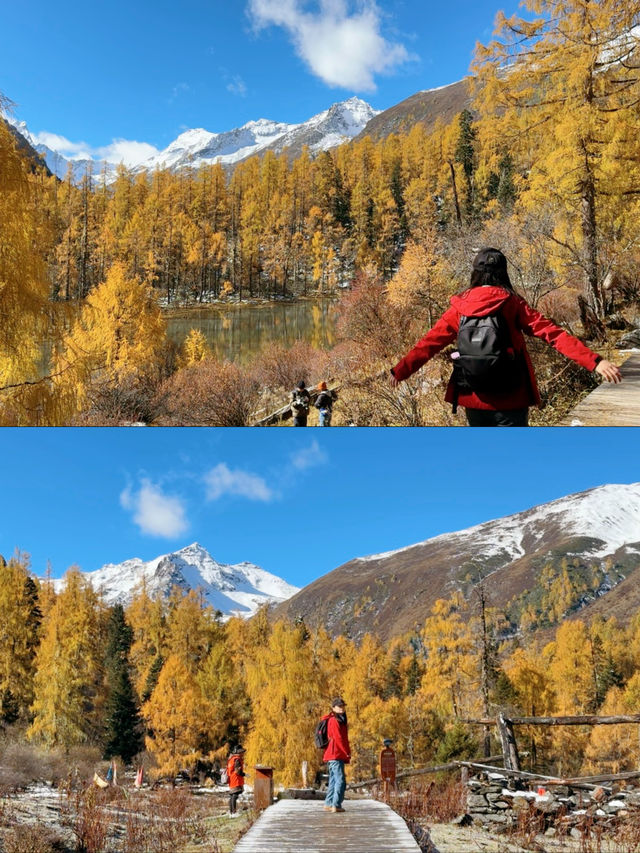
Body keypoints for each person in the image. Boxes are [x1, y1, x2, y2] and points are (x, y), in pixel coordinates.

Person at [390, 247, 622, 426]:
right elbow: (553, 334)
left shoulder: (460, 307)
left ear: (475, 273)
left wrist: (401, 370)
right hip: (512, 395)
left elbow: (430, 343)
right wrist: (595, 362)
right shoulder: (512, 303)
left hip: (473, 394)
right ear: (503, 273)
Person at [322, 697, 350, 813]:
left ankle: (329, 804)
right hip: (335, 753)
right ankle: (336, 805)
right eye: (339, 706)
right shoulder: (334, 720)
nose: (342, 708)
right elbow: (339, 738)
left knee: (334, 780)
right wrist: (346, 753)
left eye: (343, 706)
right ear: (333, 708)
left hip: (334, 754)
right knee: (340, 780)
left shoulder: (340, 719)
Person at [226, 744, 246, 817]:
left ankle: (231, 812)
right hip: (236, 779)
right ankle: (233, 812)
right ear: (238, 752)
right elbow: (238, 771)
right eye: (242, 752)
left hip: (232, 779)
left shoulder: (231, 759)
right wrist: (243, 774)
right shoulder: (237, 759)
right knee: (234, 795)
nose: (243, 754)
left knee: (232, 796)